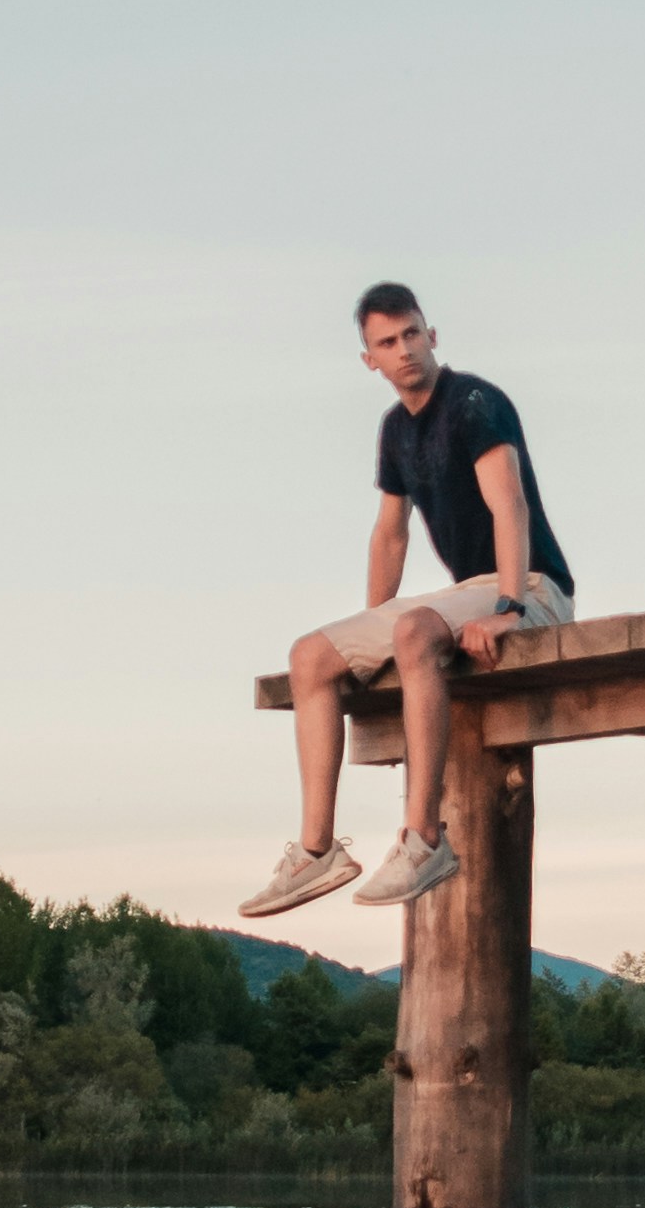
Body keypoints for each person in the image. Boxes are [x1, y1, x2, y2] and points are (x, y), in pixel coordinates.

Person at [242, 283, 577, 918]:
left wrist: (507, 607)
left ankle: (424, 840)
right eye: (387, 343)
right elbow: (389, 534)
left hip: (533, 587)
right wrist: (365, 634)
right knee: (311, 656)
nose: (404, 351)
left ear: (432, 335)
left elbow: (510, 504)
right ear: (369, 358)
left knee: (416, 631)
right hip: (469, 592)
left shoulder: (475, 402)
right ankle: (317, 853)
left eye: (412, 335)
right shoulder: (396, 430)